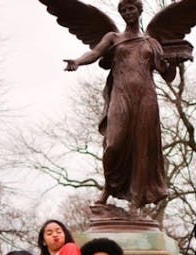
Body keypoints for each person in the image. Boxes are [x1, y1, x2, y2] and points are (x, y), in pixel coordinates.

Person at [62, 0, 175, 209]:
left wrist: (171, 64)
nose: (127, 13)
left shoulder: (151, 42)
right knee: (113, 143)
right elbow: (95, 53)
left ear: (139, 11)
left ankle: (137, 199)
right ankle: (108, 187)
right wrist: (78, 61)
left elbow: (168, 75)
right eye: (123, 10)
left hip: (146, 98)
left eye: (131, 9)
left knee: (142, 148)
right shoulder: (113, 38)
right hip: (121, 95)